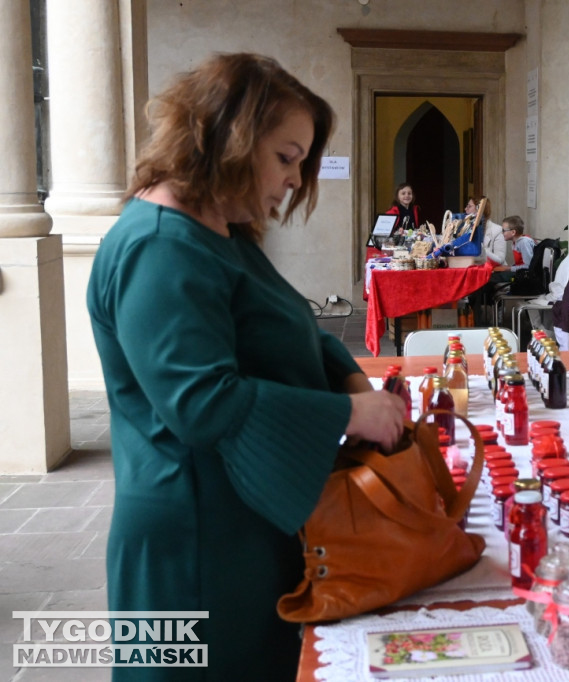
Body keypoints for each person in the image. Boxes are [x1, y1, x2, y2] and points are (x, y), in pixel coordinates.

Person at [86, 53, 407, 681]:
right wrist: (346, 413)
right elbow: (202, 401)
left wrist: (349, 376)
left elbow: (287, 322)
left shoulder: (218, 229)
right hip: (194, 545)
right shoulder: (158, 245)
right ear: (228, 137)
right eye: (285, 157)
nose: (293, 179)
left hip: (245, 525)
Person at [466, 196, 507, 266]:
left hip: (493, 273)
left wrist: (479, 246)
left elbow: (500, 260)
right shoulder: (465, 228)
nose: (465, 209)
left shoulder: (497, 230)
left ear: (480, 209)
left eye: (469, 206)